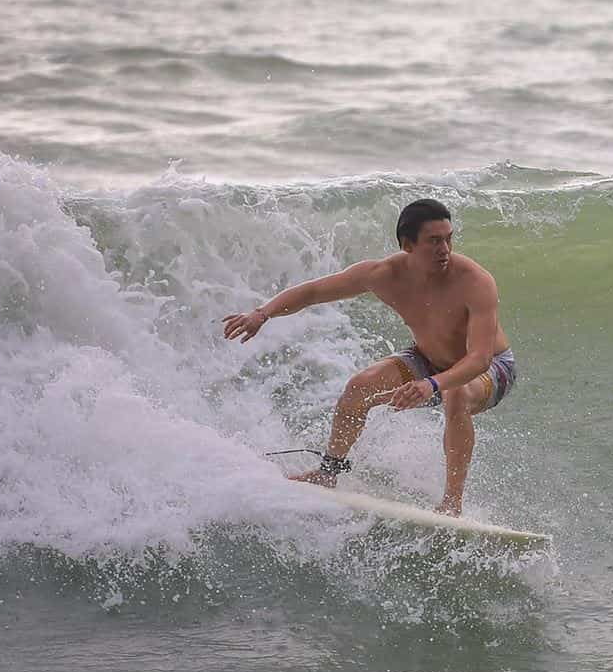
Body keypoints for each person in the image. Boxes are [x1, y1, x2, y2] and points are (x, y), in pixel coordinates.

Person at [221, 198, 516, 516]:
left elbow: (479, 358)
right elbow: (313, 292)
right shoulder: (382, 274)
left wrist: (432, 384)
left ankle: (451, 504)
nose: (445, 248)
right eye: (434, 241)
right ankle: (327, 473)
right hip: (427, 359)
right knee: (359, 387)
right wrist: (262, 314)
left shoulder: (474, 281)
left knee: (455, 393)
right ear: (407, 244)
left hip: (489, 368)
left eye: (448, 238)